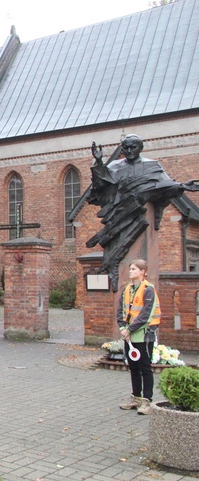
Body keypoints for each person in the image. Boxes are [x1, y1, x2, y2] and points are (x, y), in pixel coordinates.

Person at [88, 134, 198, 290]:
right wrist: (99, 162)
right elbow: (100, 187)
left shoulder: (152, 166)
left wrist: (181, 186)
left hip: (138, 212)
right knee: (116, 240)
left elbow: (163, 185)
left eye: (133, 147)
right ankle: (113, 268)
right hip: (119, 212)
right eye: (125, 147)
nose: (129, 150)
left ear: (140, 148)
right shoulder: (115, 166)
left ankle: (113, 264)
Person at [116, 259, 161, 415]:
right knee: (133, 367)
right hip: (129, 335)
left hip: (144, 335)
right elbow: (120, 312)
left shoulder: (148, 290)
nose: (130, 271)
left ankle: (147, 401)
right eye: (130, 269)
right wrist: (123, 328)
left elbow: (145, 315)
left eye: (134, 269)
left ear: (143, 271)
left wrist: (129, 330)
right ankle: (136, 398)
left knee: (145, 367)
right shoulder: (127, 289)